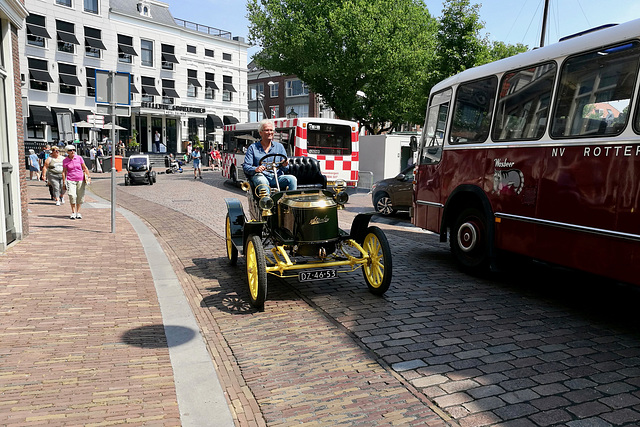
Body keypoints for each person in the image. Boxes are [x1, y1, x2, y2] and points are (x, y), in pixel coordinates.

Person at [243, 119, 297, 194]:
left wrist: (285, 165)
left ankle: (290, 202)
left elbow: (285, 168)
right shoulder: (253, 148)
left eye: (271, 130)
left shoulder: (279, 147)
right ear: (260, 133)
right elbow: (246, 166)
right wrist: (256, 169)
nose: (270, 133)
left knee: (292, 179)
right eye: (267, 130)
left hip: (276, 177)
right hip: (261, 176)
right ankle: (267, 203)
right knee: (262, 181)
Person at [62, 144, 91, 220]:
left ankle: (78, 212)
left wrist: (89, 177)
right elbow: (64, 172)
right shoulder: (65, 161)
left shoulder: (79, 158)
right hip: (70, 179)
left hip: (80, 179)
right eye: (70, 150)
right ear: (67, 152)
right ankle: (73, 212)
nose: (72, 151)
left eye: (74, 150)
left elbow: (84, 168)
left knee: (80, 196)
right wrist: (64, 182)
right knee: (72, 195)